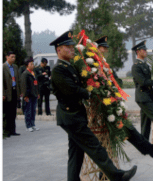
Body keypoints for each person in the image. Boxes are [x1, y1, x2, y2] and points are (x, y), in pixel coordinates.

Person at [50, 32, 138, 181]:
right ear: (59, 50)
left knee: (76, 153)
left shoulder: (68, 67)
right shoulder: (59, 69)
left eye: (73, 47)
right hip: (70, 116)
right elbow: (72, 90)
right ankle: (116, 176)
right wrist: (91, 93)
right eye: (68, 47)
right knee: (94, 146)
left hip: (75, 115)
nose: (72, 50)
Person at [94, 36, 153, 159]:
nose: (105, 50)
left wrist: (113, 86)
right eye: (102, 48)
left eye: (105, 48)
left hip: (112, 103)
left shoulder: (104, 64)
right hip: (100, 107)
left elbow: (117, 80)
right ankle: (107, 173)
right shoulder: (92, 65)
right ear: (96, 48)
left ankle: (149, 149)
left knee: (130, 128)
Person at [3, 51, 22, 136]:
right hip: (7, 92)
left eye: (14, 57)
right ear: (7, 57)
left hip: (14, 91)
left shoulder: (15, 67)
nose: (13, 58)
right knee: (7, 112)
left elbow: (18, 80)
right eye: (12, 57)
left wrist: (20, 91)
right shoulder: (3, 67)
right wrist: (3, 93)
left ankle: (12, 130)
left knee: (13, 112)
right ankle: (6, 131)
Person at [20, 57, 39, 132]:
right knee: (28, 111)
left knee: (33, 111)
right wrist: (25, 95)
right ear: (27, 65)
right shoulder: (25, 74)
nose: (32, 65)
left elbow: (36, 84)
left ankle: (33, 124)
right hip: (28, 95)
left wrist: (38, 93)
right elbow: (24, 85)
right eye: (31, 64)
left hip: (34, 94)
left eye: (33, 64)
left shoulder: (33, 73)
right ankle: (28, 126)